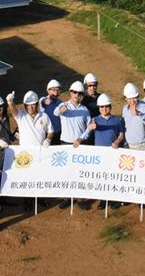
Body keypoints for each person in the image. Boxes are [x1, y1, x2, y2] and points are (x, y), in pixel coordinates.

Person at [82, 93, 125, 209]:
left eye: (106, 106)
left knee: (113, 177)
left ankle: (113, 199)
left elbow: (121, 134)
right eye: (101, 107)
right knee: (101, 178)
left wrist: (117, 141)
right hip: (99, 155)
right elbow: (87, 133)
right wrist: (87, 130)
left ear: (110, 107)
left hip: (113, 153)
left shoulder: (117, 120)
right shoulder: (94, 120)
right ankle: (102, 200)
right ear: (98, 108)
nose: (104, 109)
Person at [54, 81, 91, 209]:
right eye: (74, 92)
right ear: (70, 92)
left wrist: (81, 138)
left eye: (79, 93)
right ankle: (67, 197)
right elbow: (55, 113)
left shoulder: (85, 110)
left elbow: (89, 127)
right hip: (65, 144)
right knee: (66, 172)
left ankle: (80, 199)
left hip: (80, 144)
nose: (77, 95)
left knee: (80, 172)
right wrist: (60, 110)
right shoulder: (63, 105)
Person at [121, 82, 145, 151]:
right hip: (129, 145)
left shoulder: (143, 106)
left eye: (134, 98)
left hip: (142, 145)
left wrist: (139, 114)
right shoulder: (125, 109)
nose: (132, 101)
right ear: (125, 98)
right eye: (129, 98)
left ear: (137, 97)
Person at [39, 79, 62, 144]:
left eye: (58, 90)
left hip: (58, 133)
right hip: (46, 133)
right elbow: (43, 102)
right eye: (53, 90)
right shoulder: (43, 99)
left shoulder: (61, 102)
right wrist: (45, 102)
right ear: (48, 90)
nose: (56, 92)